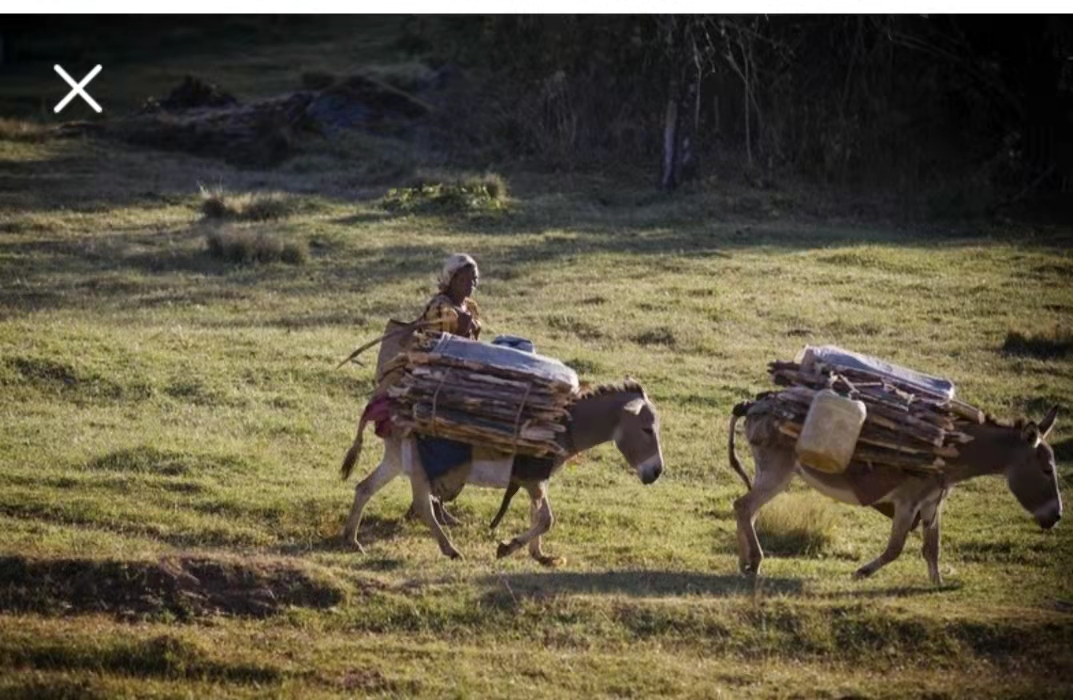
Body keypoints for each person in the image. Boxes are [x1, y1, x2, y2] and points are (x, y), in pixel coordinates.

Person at [421, 253, 482, 340]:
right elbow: (436, 345)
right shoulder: (439, 308)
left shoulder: (471, 306)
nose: (470, 283)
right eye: (463, 279)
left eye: (474, 278)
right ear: (451, 280)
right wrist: (461, 331)